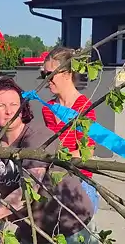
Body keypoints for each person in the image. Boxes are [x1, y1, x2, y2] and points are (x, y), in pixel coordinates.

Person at [0, 78, 93, 241]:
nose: (9, 111)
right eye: (1, 106)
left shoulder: (36, 137)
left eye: (14, 105)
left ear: (22, 108)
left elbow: (28, 191)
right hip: (33, 229)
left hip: (68, 227)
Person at [41, 46, 99, 211]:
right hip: (55, 182)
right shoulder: (48, 108)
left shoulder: (84, 107)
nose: (47, 79)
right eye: (44, 74)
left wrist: (55, 158)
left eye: (51, 74)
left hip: (79, 184)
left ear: (67, 74)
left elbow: (87, 152)